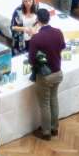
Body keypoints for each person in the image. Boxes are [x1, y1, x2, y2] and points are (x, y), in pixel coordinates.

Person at [28, 8, 65, 140]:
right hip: (58, 72)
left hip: (45, 76)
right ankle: (54, 128)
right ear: (49, 18)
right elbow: (62, 47)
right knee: (54, 99)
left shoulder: (36, 38)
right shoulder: (58, 32)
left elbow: (31, 60)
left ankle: (46, 132)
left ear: (37, 20)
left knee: (44, 104)